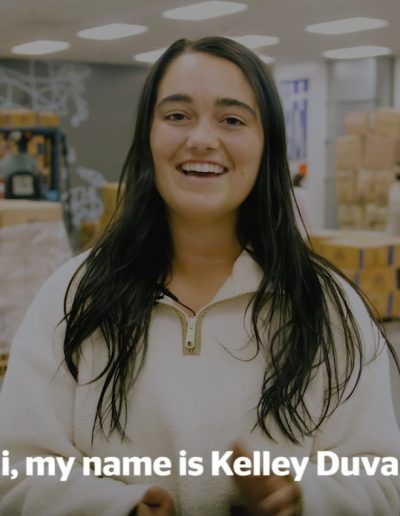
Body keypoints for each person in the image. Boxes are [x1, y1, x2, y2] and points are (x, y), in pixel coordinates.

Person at [0, 36, 399, 516]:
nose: (202, 139)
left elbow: (380, 478)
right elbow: (18, 469)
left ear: (267, 143)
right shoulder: (73, 295)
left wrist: (304, 498)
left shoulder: (328, 305)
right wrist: (116, 506)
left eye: (232, 120)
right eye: (177, 115)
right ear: (148, 136)